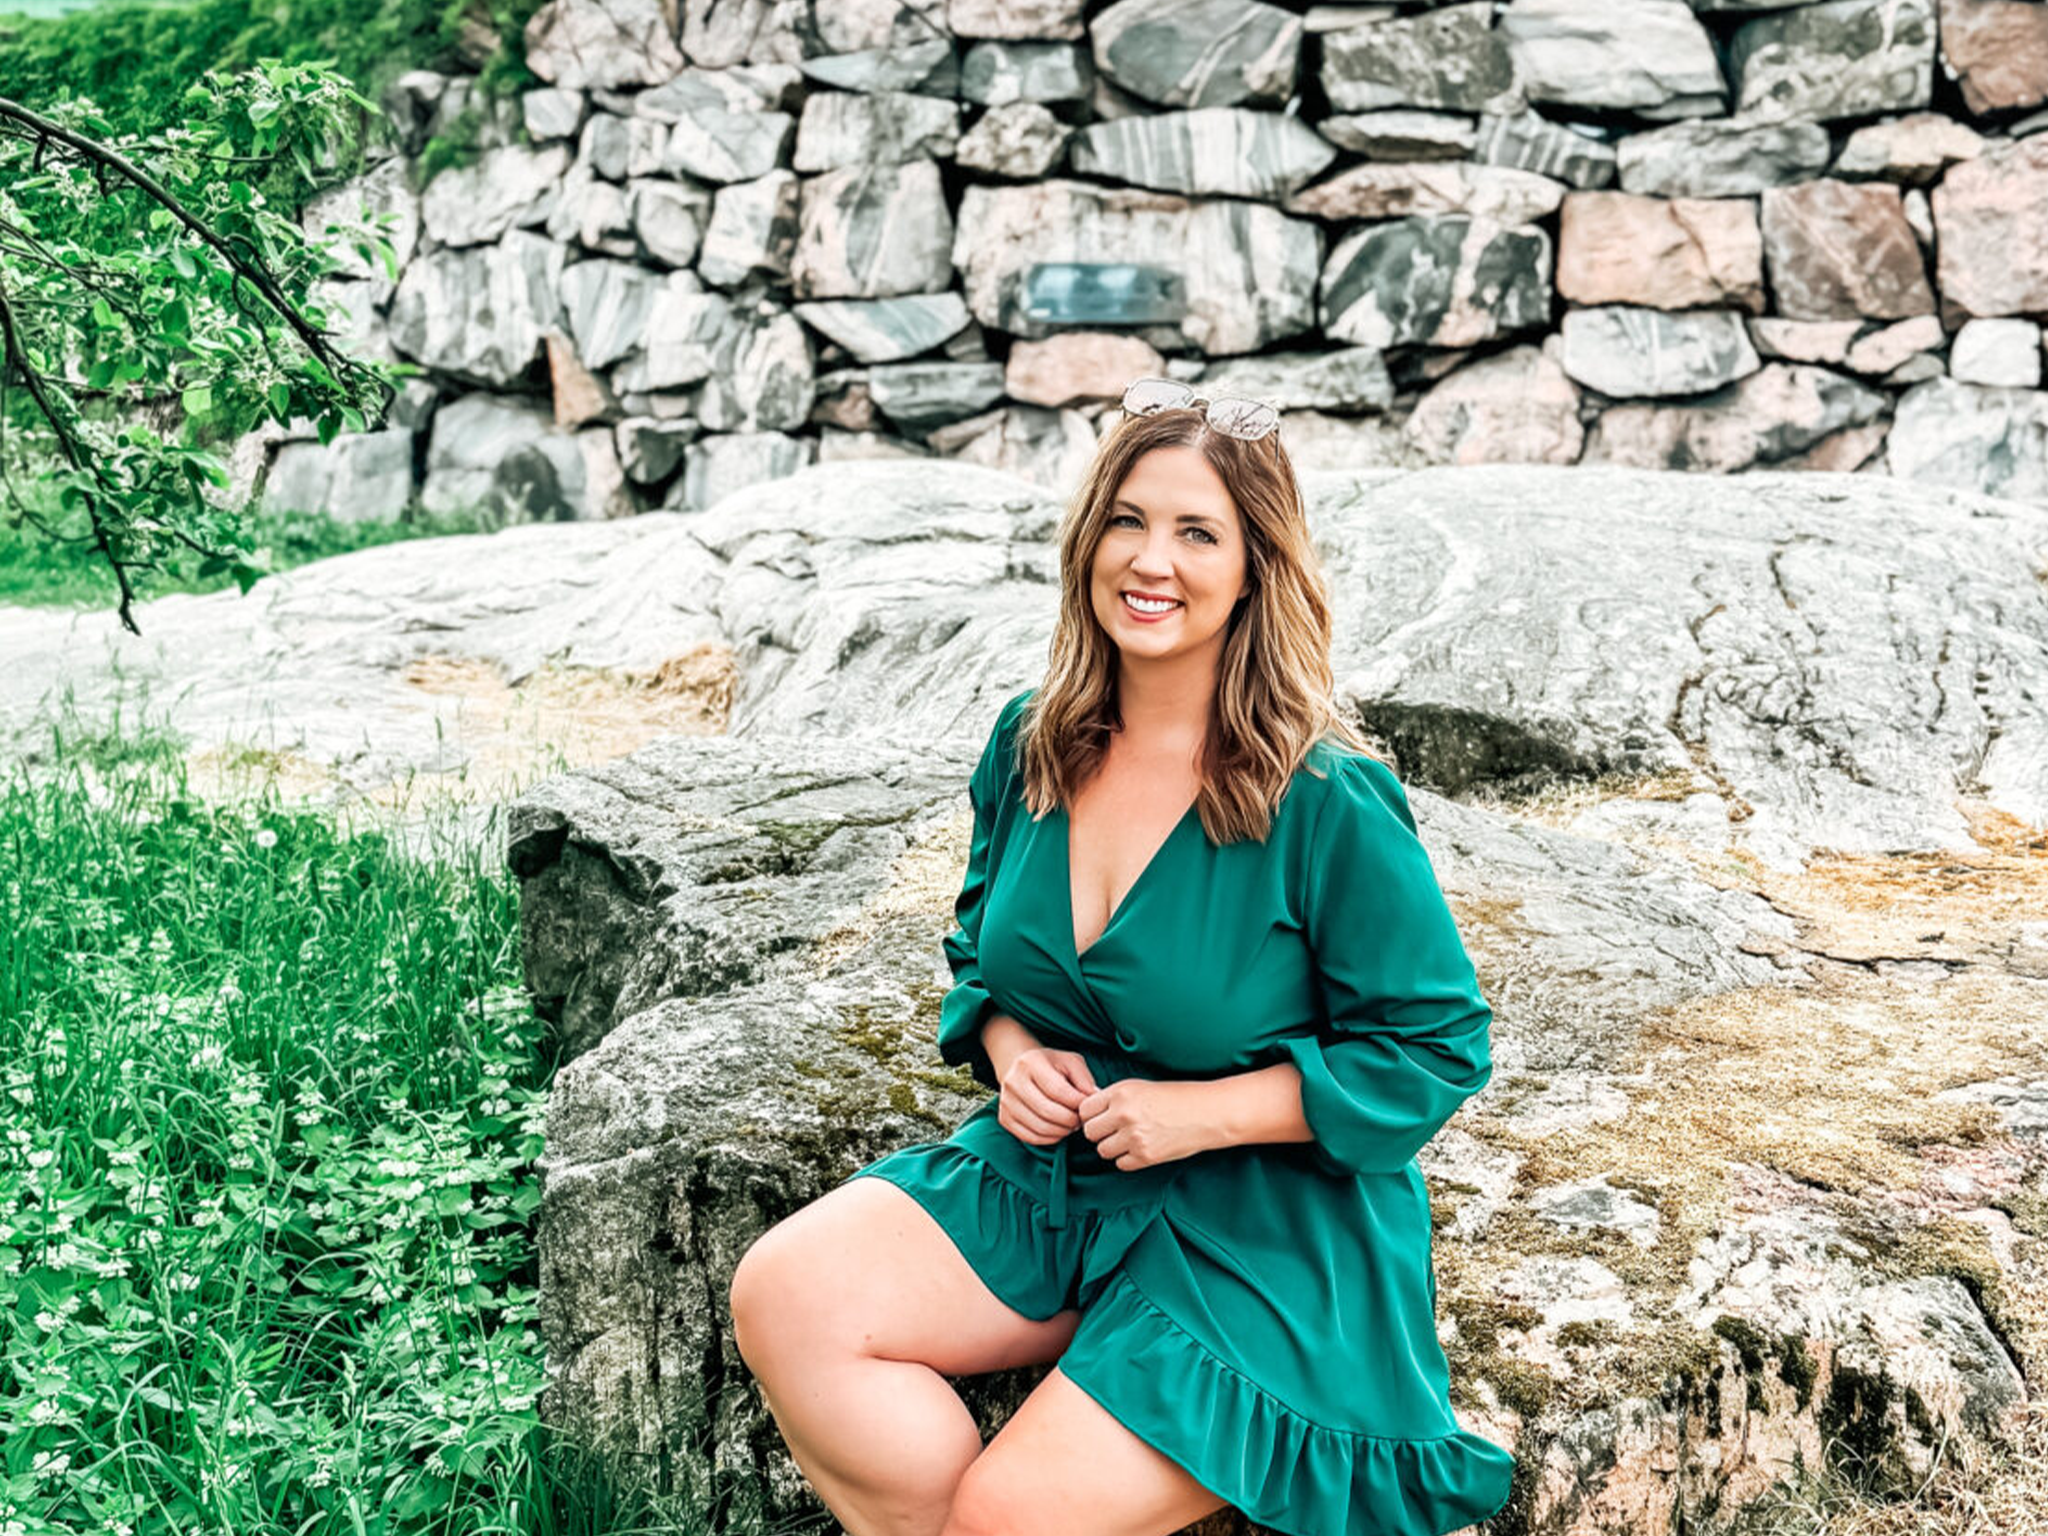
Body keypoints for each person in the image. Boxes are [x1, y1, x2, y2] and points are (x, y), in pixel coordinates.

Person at [729, 377, 1516, 1536]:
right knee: (786, 1295)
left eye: (1199, 532)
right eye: (1128, 520)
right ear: (1087, 536)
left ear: (1256, 566)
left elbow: (1435, 1045)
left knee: (1008, 1518)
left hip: (1262, 1223)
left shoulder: (1328, 801)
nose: (1152, 560)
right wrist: (1009, 1049)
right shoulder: (1031, 739)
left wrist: (1202, 1117)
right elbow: (980, 942)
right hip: (1055, 1176)